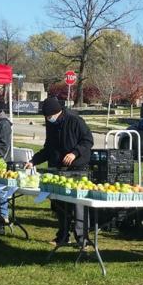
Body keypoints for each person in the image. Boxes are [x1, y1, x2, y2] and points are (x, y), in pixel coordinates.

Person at [24, 96, 94, 245]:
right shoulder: (51, 125)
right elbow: (48, 149)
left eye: (49, 116)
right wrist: (33, 161)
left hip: (77, 168)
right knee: (60, 205)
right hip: (58, 169)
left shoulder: (75, 121)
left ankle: (83, 239)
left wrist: (74, 153)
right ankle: (62, 237)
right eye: (46, 117)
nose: (48, 119)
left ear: (58, 112)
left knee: (79, 205)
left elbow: (88, 140)